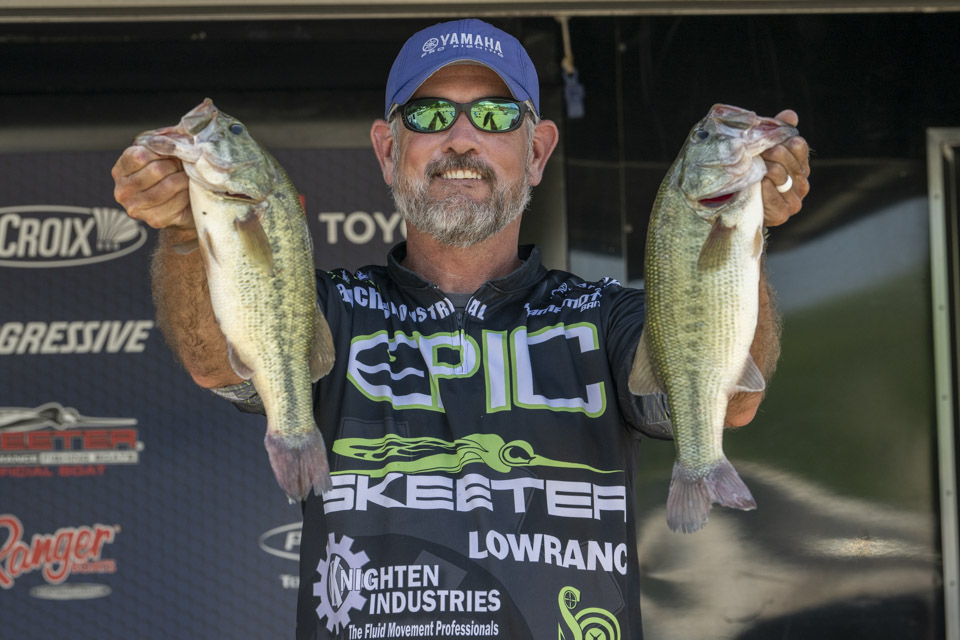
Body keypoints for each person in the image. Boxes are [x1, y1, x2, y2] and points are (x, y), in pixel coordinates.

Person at [112, 18, 810, 640]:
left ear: (537, 152)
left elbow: (733, 402)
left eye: (496, 115)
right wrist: (184, 232)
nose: (462, 139)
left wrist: (744, 229)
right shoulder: (330, 308)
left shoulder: (603, 317)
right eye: (430, 114)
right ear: (388, 150)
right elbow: (214, 361)